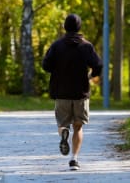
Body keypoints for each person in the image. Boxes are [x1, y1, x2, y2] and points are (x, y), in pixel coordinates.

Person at [42, 13, 102, 171]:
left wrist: (58, 69)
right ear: (79, 27)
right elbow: (98, 65)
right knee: (78, 126)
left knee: (62, 124)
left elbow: (46, 65)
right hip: (80, 93)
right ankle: (74, 159)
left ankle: (64, 134)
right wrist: (90, 75)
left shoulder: (57, 45)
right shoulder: (86, 46)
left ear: (64, 27)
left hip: (61, 92)